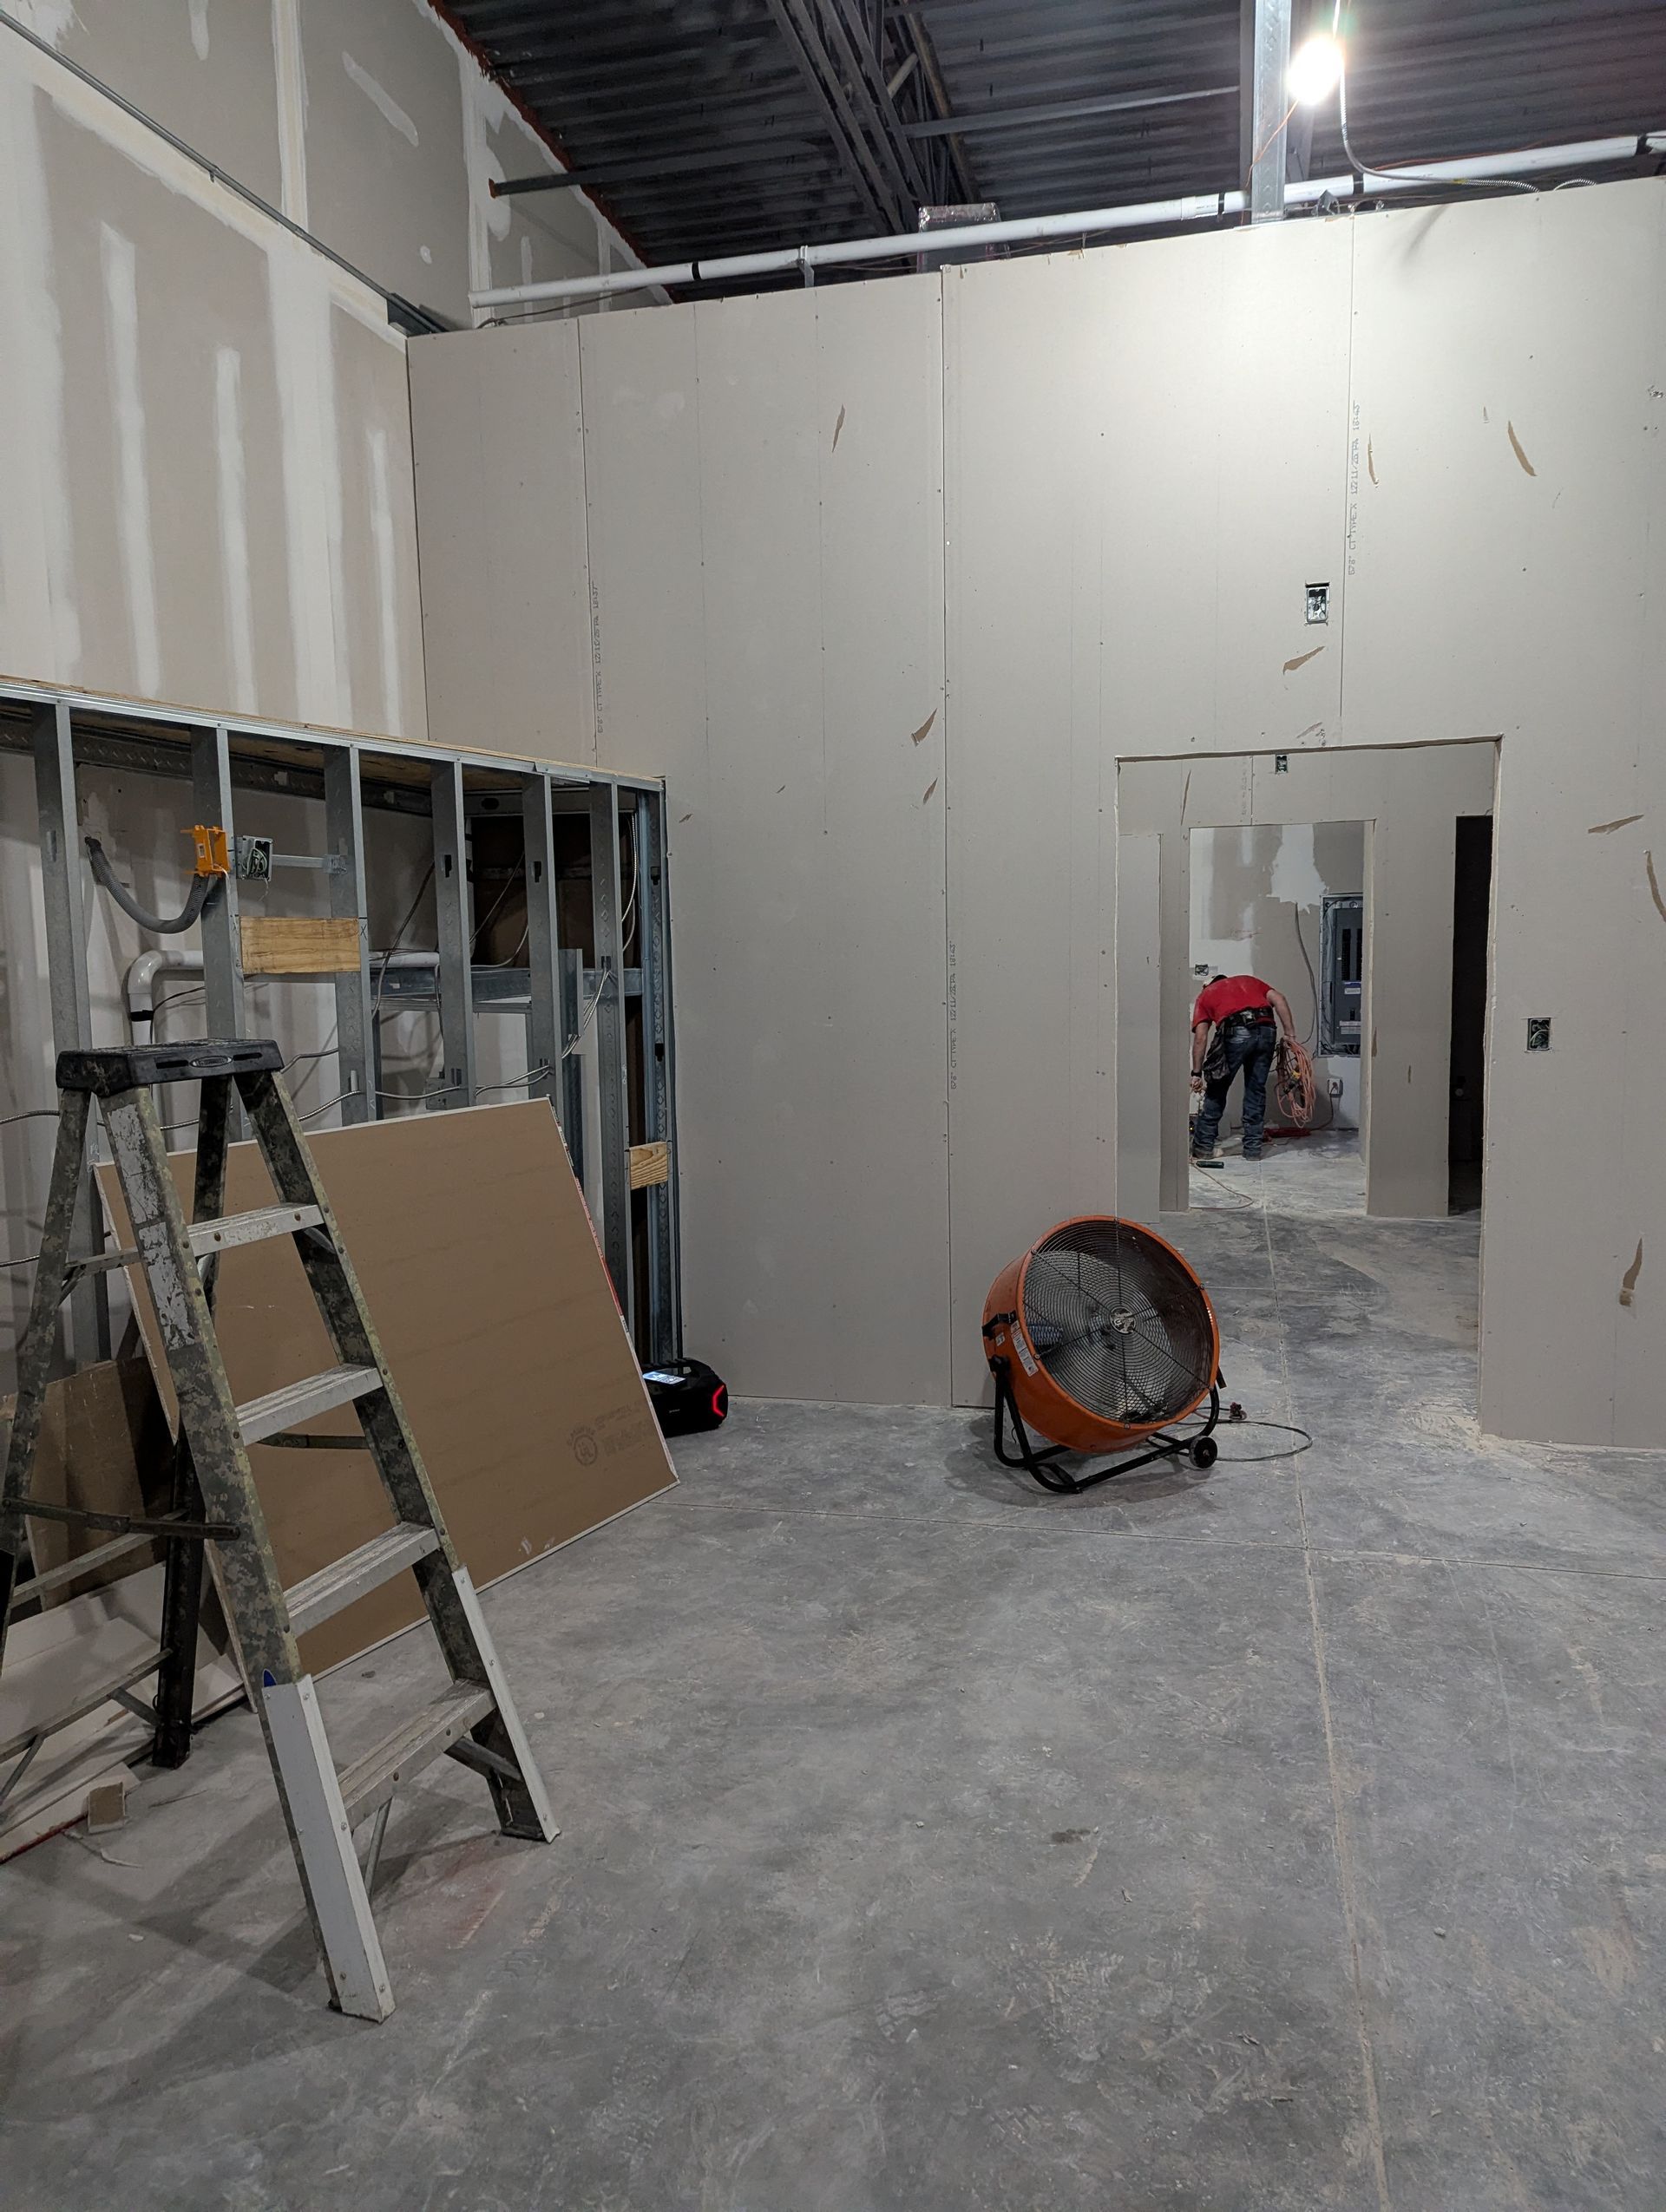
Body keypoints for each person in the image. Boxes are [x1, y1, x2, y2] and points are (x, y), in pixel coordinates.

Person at [1189, 972, 1296, 1163]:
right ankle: (1253, 1150)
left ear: (1208, 985)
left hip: (1236, 1030)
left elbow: (1200, 1039)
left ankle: (1204, 1147)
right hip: (1267, 1029)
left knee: (1217, 1088)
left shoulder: (1205, 994)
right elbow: (1280, 999)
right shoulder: (1249, 981)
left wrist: (1196, 1073)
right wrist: (1290, 1035)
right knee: (1256, 1090)